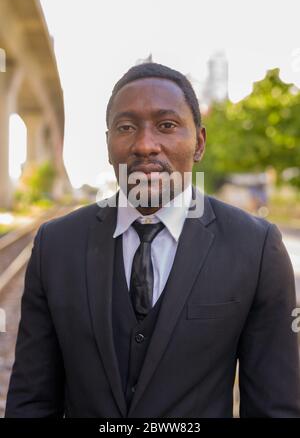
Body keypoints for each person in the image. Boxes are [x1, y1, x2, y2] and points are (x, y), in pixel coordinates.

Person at [5, 63, 300, 418]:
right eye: (126, 127)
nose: (145, 145)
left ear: (199, 143)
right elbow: (32, 401)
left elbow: (275, 408)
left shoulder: (256, 247)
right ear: (108, 144)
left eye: (167, 125)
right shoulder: (55, 244)